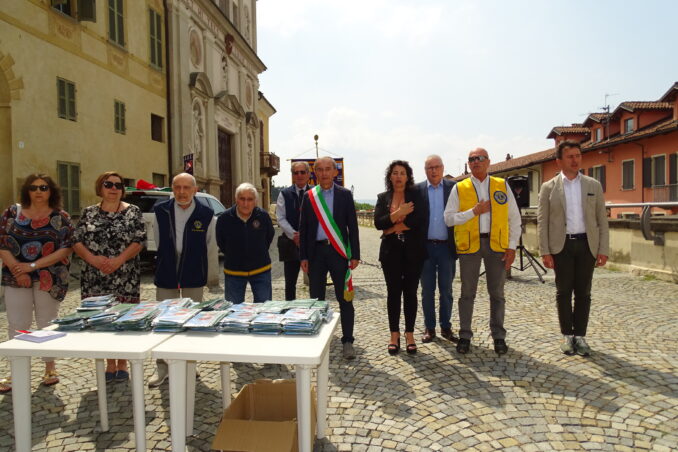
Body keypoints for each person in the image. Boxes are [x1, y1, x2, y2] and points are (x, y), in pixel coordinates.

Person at [0, 174, 74, 393]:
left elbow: (66, 247)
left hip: (49, 277)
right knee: (17, 323)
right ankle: (16, 371)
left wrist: (33, 267)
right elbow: (2, 243)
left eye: (43, 187)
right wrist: (18, 269)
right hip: (15, 276)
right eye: (34, 188)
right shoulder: (11, 213)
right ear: (27, 191)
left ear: (51, 191)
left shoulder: (60, 216)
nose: (39, 191)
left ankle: (50, 367)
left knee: (47, 322)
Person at [443, 148, 521, 355]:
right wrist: (473, 212)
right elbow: (448, 218)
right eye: (471, 159)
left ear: (488, 162)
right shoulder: (459, 188)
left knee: (497, 293)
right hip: (470, 247)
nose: (475, 162)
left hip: (497, 246)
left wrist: (512, 246)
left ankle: (499, 336)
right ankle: (465, 336)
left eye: (479, 158)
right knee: (467, 293)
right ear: (468, 164)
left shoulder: (501, 185)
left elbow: (514, 218)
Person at [73, 171, 146, 383]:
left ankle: (122, 362)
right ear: (100, 187)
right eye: (108, 184)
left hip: (125, 277)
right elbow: (76, 241)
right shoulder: (88, 213)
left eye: (118, 185)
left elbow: (140, 240)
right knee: (100, 321)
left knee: (124, 320)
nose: (113, 188)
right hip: (95, 278)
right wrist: (93, 259)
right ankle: (109, 363)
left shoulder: (133, 212)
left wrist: (119, 260)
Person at [537, 140, 609, 356]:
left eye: (578, 155)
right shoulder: (548, 187)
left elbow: (601, 220)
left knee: (584, 293)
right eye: (570, 156)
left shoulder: (592, 185)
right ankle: (567, 335)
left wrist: (603, 248)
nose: (575, 160)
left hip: (587, 245)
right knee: (563, 292)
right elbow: (543, 221)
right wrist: (545, 251)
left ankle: (581, 336)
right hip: (562, 245)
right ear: (559, 161)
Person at [148, 172, 214, 387]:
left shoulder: (205, 213)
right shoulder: (161, 210)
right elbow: (158, 240)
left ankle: (189, 366)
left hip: (193, 273)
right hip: (167, 272)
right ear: (172, 189)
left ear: (195, 190)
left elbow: (209, 245)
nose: (182, 192)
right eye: (178, 187)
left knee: (191, 321)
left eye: (187, 188)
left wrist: (210, 276)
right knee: (163, 321)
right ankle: (162, 368)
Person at [299, 157, 360, 360]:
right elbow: (304, 228)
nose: (324, 173)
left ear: (335, 172)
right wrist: (304, 256)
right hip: (316, 253)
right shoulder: (309, 196)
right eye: (320, 170)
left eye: (328, 169)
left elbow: (353, 225)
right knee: (317, 299)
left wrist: (355, 254)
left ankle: (348, 340)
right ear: (314, 173)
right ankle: (319, 339)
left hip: (338, 252)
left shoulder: (345, 195)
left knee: (345, 298)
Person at [374, 161, 426, 355]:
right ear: (390, 176)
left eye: (402, 173)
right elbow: (378, 223)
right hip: (390, 252)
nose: (398, 176)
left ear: (408, 176)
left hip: (413, 251)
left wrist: (393, 226)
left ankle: (409, 334)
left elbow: (420, 220)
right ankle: (394, 334)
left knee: (410, 293)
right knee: (393, 293)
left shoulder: (417, 196)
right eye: (395, 173)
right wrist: (399, 213)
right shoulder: (382, 198)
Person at [417, 155, 458, 344]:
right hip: (424, 248)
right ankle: (429, 327)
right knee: (427, 290)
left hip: (446, 248)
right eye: (429, 168)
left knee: (446, 289)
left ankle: (446, 326)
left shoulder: (453, 188)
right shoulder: (417, 190)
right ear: (425, 170)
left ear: (443, 168)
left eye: (436, 167)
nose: (433, 171)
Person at [217, 183, 274, 303]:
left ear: (255, 201)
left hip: (261, 270)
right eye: (242, 199)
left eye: (250, 199)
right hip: (234, 271)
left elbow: (269, 237)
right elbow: (221, 242)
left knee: (264, 310)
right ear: (236, 199)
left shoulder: (263, 216)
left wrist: (258, 250)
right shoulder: (224, 218)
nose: (245, 203)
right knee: (234, 311)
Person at [276, 161, 311, 300]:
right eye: (296, 172)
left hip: (311, 244)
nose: (299, 175)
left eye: (303, 172)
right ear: (292, 175)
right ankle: (290, 312)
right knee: (290, 284)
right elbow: (280, 217)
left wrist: (305, 236)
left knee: (315, 282)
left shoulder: (316, 192)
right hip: (291, 244)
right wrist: (294, 235)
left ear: (308, 174)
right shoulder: (284, 194)